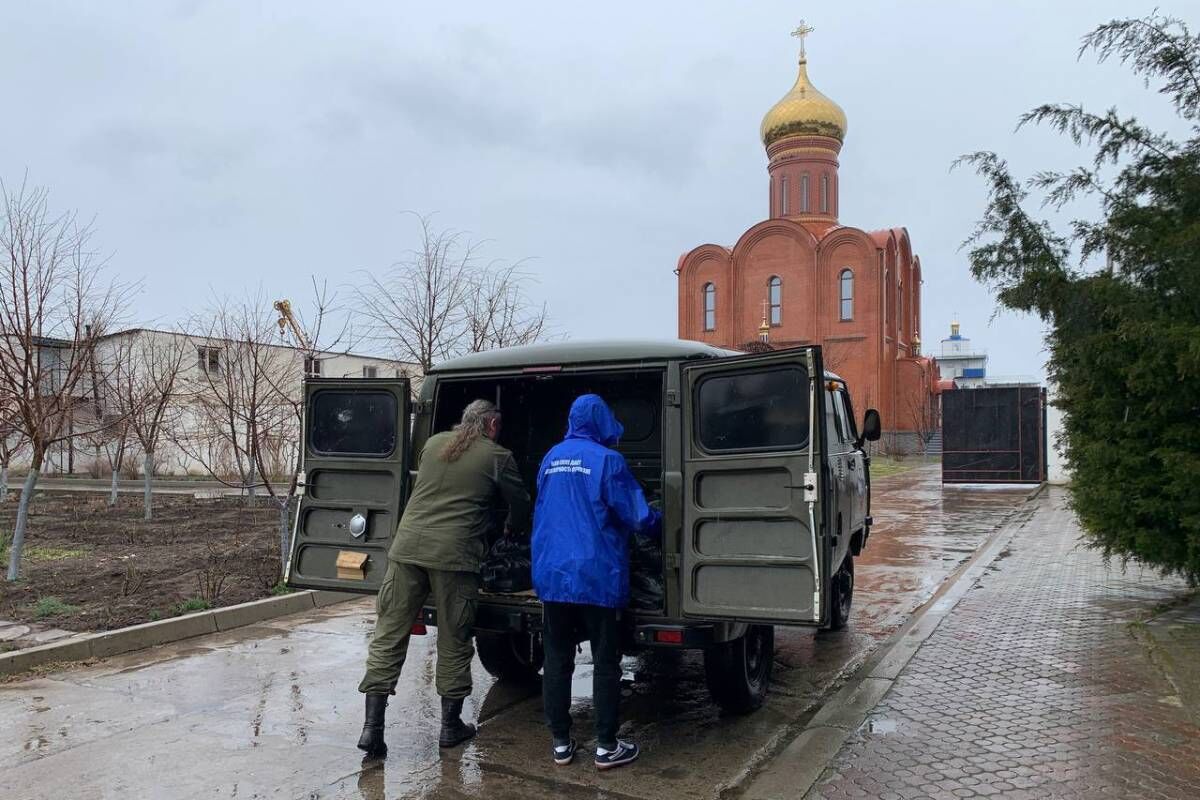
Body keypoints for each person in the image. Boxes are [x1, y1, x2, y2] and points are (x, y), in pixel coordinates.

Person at [357, 399, 530, 758]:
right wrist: (513, 528)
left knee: (389, 634)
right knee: (455, 637)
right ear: (493, 425)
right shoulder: (499, 456)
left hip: (406, 550)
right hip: (454, 556)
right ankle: (450, 727)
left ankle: (372, 729)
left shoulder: (433, 444)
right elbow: (521, 504)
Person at [531, 394, 661, 770]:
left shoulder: (551, 458)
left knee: (556, 660)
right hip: (596, 576)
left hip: (554, 575)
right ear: (602, 421)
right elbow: (637, 516)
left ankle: (560, 743)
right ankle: (606, 746)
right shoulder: (608, 461)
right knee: (606, 661)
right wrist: (663, 521)